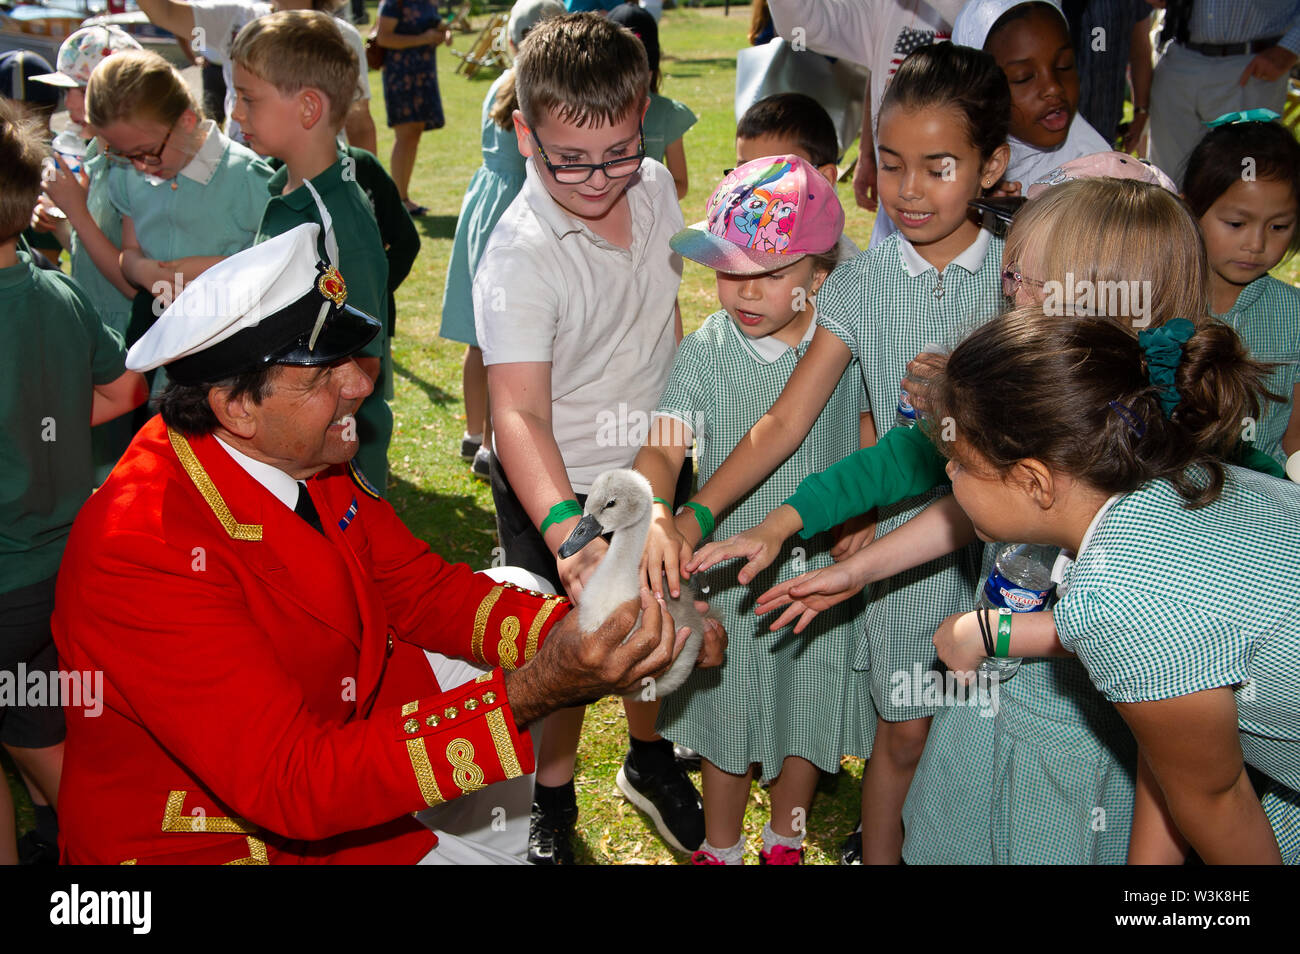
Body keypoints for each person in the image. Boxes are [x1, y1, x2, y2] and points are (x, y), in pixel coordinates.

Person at [49, 220, 721, 865]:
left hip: (333, 745)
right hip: (229, 840)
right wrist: (538, 686)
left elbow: (422, 591)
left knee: (522, 591)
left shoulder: (298, 449)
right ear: (236, 408)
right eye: (323, 376)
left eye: (349, 357)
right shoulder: (140, 553)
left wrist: (621, 631)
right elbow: (294, 785)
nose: (361, 383)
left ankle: (485, 846)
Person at [647, 42, 1011, 864]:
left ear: (992, 166)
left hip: (1014, 545)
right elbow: (785, 421)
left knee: (995, 735)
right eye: (891, 163)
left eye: (937, 166)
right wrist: (702, 509)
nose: (908, 190)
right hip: (898, 547)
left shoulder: (1024, 277)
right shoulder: (857, 285)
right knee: (905, 731)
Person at [929, 306, 1298, 864]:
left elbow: (1218, 801)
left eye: (958, 462)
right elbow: (1174, 729)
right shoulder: (1182, 475)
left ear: (1033, 480)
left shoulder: (1119, 600)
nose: (950, 476)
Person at [473, 13, 702, 863]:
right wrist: (568, 530)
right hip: (556, 482)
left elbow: (664, 318)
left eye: (621, 150)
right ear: (526, 134)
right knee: (562, 648)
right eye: (572, 159)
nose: (601, 178)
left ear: (644, 114)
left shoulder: (653, 187)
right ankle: (552, 795)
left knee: (657, 616)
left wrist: (674, 438)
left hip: (652, 460)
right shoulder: (521, 255)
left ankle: (648, 756)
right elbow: (518, 416)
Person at [631, 157, 873, 865]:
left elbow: (864, 432)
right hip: (727, 575)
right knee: (726, 718)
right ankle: (721, 843)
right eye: (727, 271)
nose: (742, 291)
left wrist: (864, 510)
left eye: (767, 274)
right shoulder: (704, 351)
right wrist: (652, 510)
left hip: (816, 570)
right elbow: (661, 451)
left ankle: (785, 837)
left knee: (809, 710)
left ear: (819, 275)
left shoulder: (843, 344)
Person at [0, 101, 148, 866]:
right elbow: (125, 392)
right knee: (32, 725)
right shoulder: (57, 292)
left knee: (31, 741)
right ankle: (80, 845)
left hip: (5, 576)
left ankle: (108, 852)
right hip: (59, 568)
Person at [232, 9, 394, 493]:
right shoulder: (288, 190)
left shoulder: (336, 220)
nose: (236, 112)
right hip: (287, 448)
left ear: (307, 108)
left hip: (330, 462)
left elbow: (364, 358)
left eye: (248, 99)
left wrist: (299, 435)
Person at [440, 0, 564, 480]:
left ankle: (477, 433)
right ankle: (494, 444)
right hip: (515, 213)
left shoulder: (497, 82)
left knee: (481, 335)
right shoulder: (538, 92)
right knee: (509, 339)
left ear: (511, 41)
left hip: (483, 206)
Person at [30, 26, 147, 483]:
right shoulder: (100, 160)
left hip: (129, 357)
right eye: (70, 91)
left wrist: (75, 214)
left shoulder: (136, 170)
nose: (73, 104)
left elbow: (132, 287)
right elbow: (95, 260)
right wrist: (62, 225)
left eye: (83, 89)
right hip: (99, 349)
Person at [765, 0, 964, 246]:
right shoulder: (888, 8)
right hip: (895, 229)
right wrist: (867, 152)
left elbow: (981, 15)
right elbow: (802, 23)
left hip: (974, 225)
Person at [1181, 114, 1300, 468]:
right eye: (1236, 224)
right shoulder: (1154, 302)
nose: (1256, 243)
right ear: (1189, 209)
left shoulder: (1293, 314)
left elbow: (1295, 437)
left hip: (1265, 494)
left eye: (1279, 226)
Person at [133, 0, 376, 153]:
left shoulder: (342, 36)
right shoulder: (236, 18)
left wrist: (366, 190)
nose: (240, 112)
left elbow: (359, 123)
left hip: (319, 171)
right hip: (247, 170)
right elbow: (163, 12)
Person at [954, 0, 1112, 190]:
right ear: (978, 91)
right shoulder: (948, 165)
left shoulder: (1098, 182)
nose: (1053, 88)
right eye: (1023, 77)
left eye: (1064, 65)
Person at [1149, 0, 1300, 185]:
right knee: (1167, 181)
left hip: (1252, 65)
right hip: (1178, 56)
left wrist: (1291, 48)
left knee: (1247, 179)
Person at [607, 3, 696, 199]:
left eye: (640, 71)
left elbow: (680, 184)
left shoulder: (669, 113)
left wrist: (641, 192)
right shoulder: (591, 111)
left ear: (652, 70)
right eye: (620, 71)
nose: (629, 83)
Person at [376, 0, 451, 215]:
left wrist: (440, 35)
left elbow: (429, 27)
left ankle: (403, 197)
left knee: (414, 133)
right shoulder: (393, 2)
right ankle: (399, 199)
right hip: (401, 76)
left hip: (423, 73)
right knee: (406, 134)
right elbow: (384, 37)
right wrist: (423, 38)